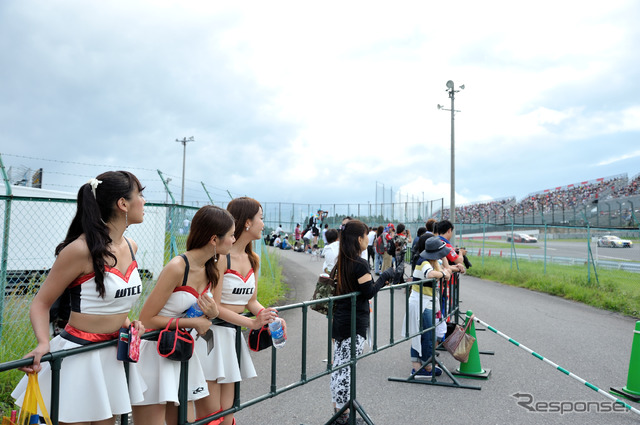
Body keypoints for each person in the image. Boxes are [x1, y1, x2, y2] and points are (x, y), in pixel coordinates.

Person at [12, 171, 147, 424]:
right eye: (140, 195)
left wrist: (128, 322)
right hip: (78, 355)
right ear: (122, 204)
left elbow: (110, 299)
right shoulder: (79, 250)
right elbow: (41, 303)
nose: (144, 201)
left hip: (112, 352)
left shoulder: (131, 245)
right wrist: (43, 343)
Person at [132, 205, 235, 425]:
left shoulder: (212, 268)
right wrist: (193, 322)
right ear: (214, 239)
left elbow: (210, 310)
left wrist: (212, 313)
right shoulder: (177, 267)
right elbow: (147, 319)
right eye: (231, 235)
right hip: (155, 354)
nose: (234, 240)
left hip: (182, 352)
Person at [194, 197, 284, 425]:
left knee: (229, 412)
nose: (263, 224)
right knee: (211, 414)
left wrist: (270, 316)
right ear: (246, 222)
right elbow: (214, 308)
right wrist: (252, 323)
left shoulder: (252, 258)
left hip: (233, 337)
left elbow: (251, 301)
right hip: (212, 338)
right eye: (261, 218)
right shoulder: (221, 258)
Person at [330, 220, 392, 424]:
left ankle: (338, 411)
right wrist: (385, 276)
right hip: (353, 322)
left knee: (339, 367)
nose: (368, 239)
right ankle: (343, 415)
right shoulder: (359, 263)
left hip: (340, 321)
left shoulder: (342, 260)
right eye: (366, 235)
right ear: (359, 238)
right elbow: (368, 292)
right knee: (347, 369)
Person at [403, 236, 452, 378]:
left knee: (423, 335)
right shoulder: (423, 262)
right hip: (422, 303)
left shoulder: (430, 261)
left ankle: (420, 367)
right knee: (426, 336)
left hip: (425, 302)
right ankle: (425, 367)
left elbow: (446, 271)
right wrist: (443, 273)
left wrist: (443, 266)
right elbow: (431, 274)